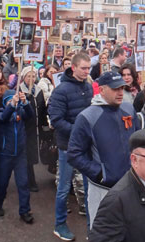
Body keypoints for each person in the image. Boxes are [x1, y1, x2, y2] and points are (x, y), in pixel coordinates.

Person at [68, 71, 138, 227]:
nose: (120, 92)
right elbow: (74, 154)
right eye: (115, 89)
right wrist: (99, 173)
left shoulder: (129, 109)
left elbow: (137, 142)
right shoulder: (87, 116)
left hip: (130, 184)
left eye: (122, 88)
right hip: (103, 188)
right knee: (102, 231)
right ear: (102, 90)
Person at [48, 52, 94, 241]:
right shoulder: (60, 90)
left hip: (87, 145)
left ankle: (92, 226)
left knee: (89, 185)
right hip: (68, 145)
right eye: (83, 68)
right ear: (73, 68)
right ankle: (60, 224)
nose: (86, 71)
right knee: (64, 186)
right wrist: (79, 131)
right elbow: (56, 120)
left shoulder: (89, 87)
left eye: (89, 68)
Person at [0, 88, 35, 224]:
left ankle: (25, 210)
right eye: (9, 100)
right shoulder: (0, 112)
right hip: (6, 154)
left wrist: (25, 102)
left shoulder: (21, 112)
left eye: (14, 99)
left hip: (20, 154)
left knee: (23, 183)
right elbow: (3, 117)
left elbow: (31, 114)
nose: (13, 102)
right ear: (5, 102)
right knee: (2, 182)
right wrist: (11, 105)